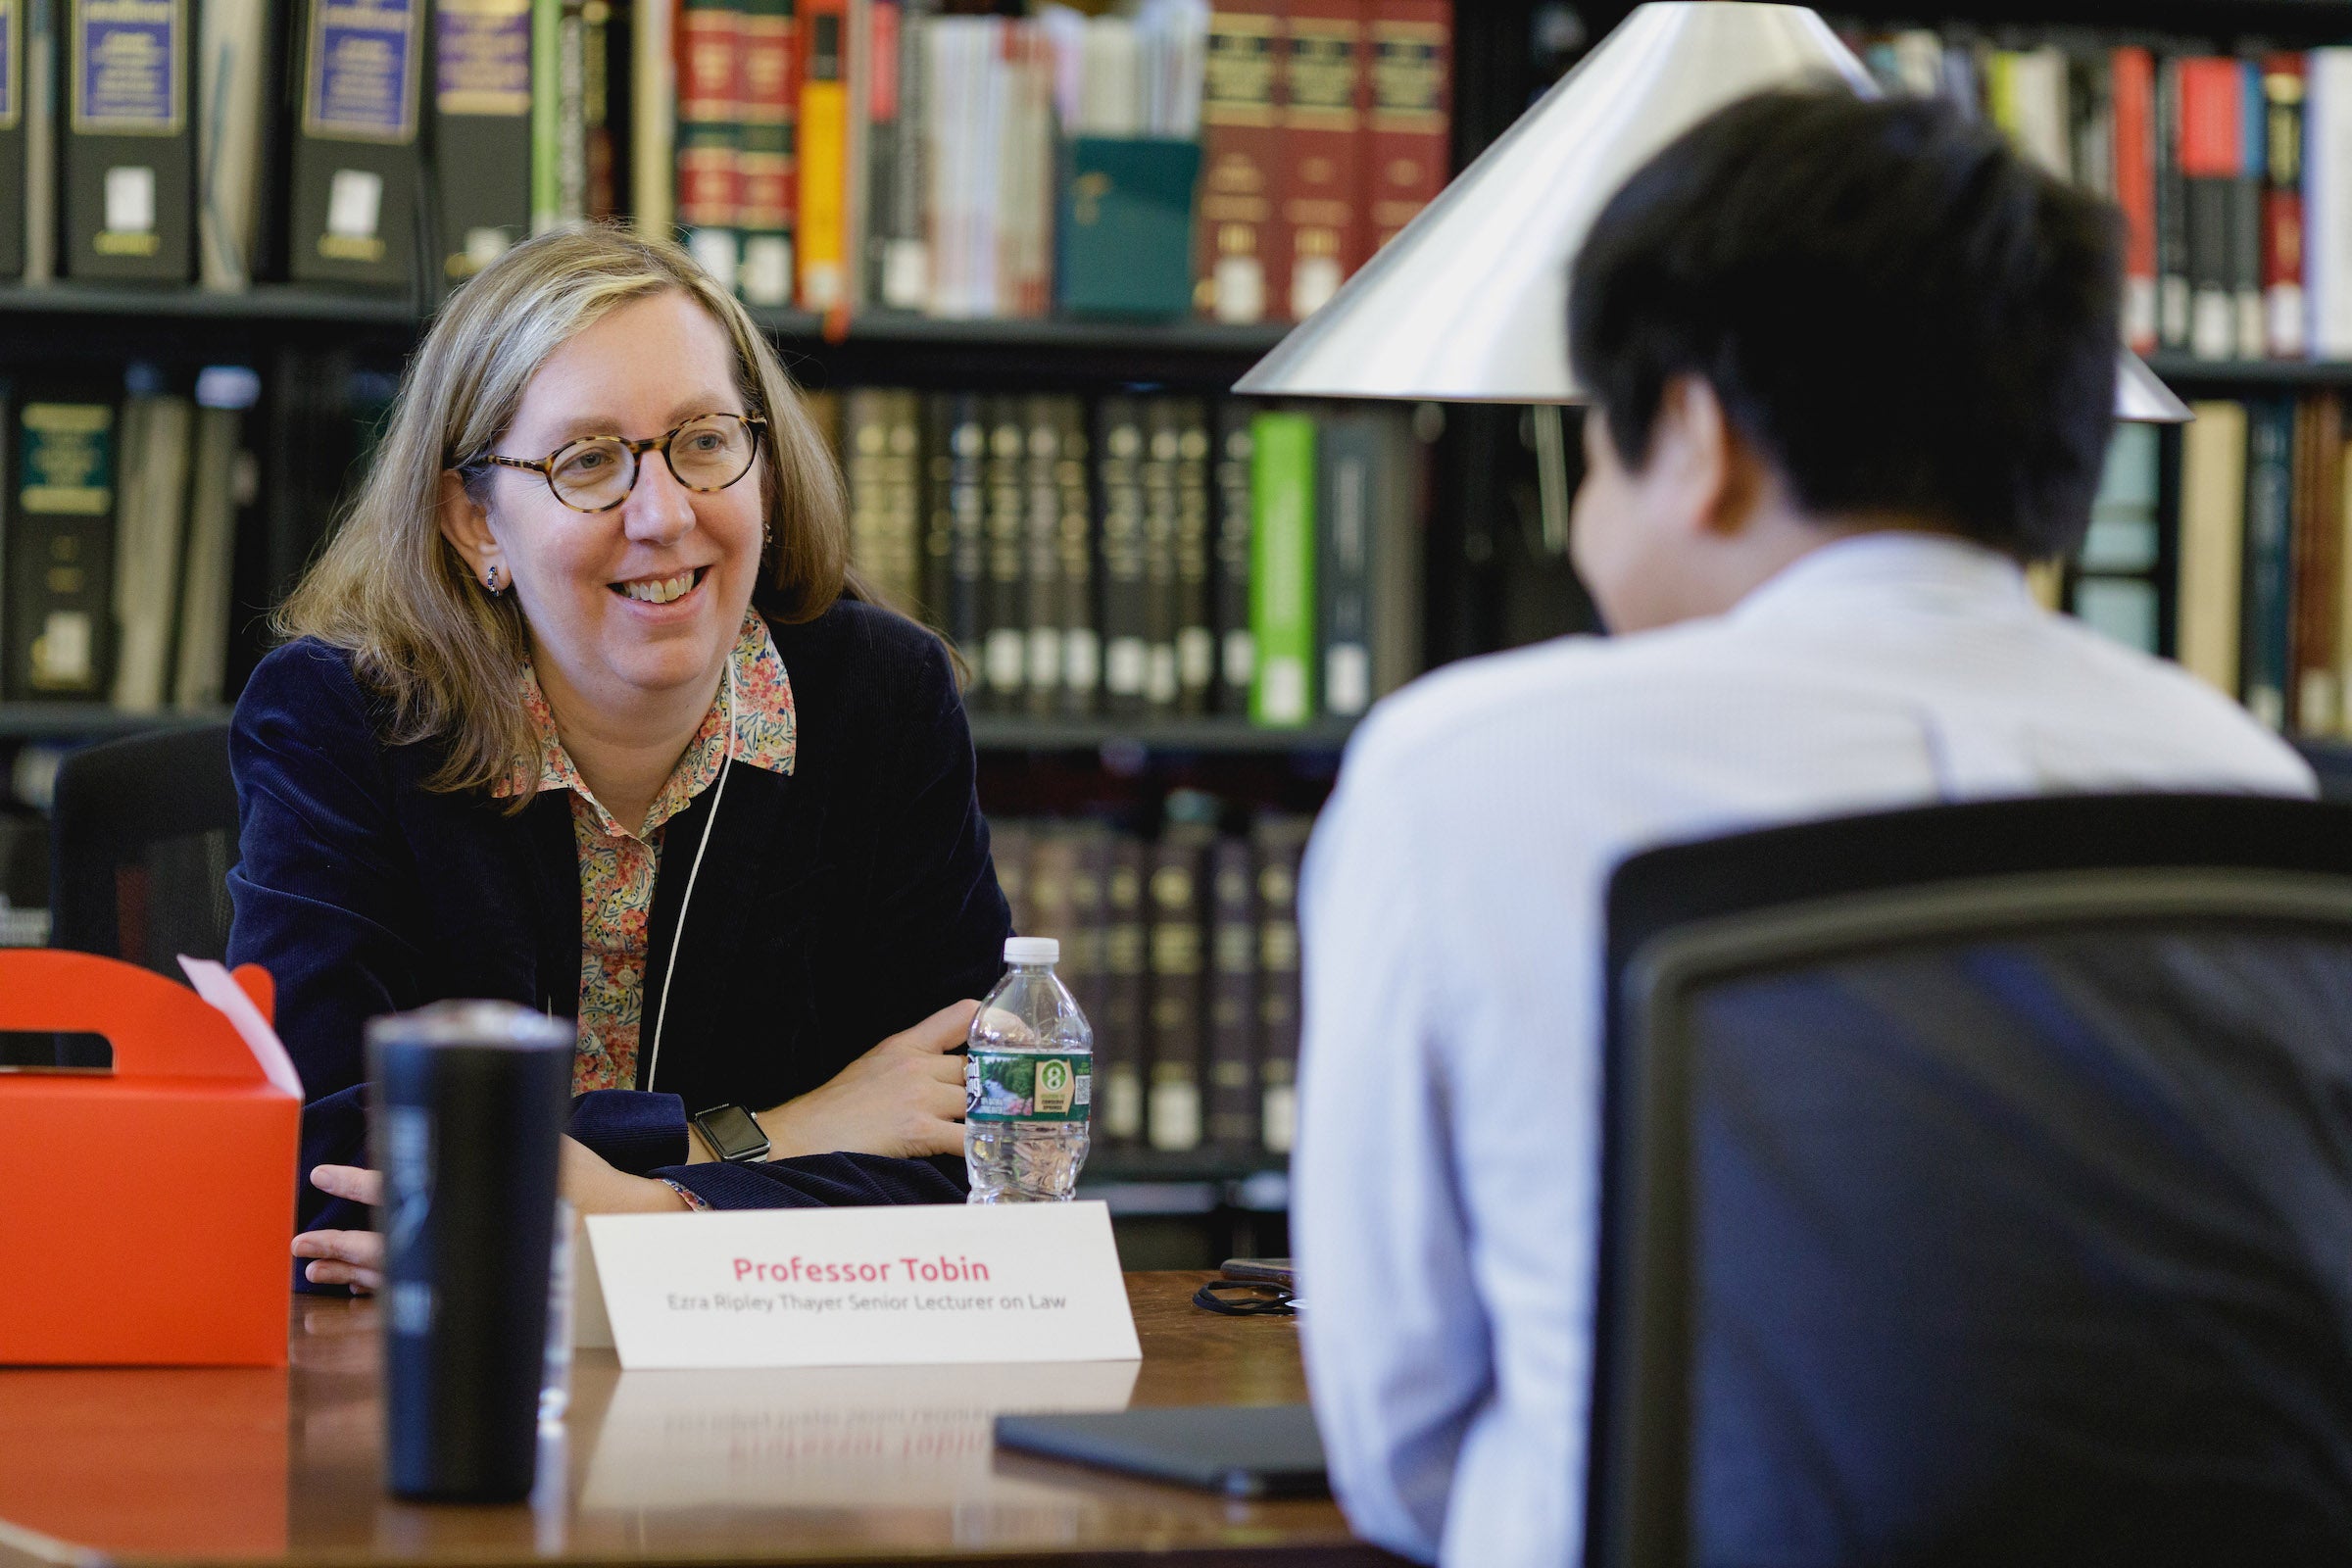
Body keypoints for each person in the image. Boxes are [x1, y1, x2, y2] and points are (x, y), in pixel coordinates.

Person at [1291, 88, 2317, 1568]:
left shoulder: (1464, 777)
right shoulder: (2242, 785)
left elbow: (1399, 1443)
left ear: (1695, 436)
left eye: (1593, 446)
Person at [227, 226, 1009, 1293]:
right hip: (427, 1390)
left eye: (702, 440)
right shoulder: (346, 719)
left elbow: (981, 1152)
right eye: (587, 461)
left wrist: (624, 1212)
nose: (664, 513)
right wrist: (768, 1138)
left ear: (765, 470)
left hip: (776, 1407)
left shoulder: (881, 701)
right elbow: (329, 1165)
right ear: (474, 524)